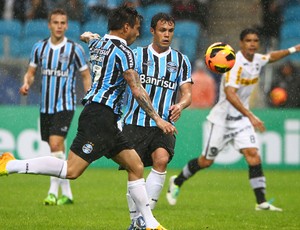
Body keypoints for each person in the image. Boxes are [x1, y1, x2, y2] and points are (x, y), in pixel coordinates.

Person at [1, 5, 175, 230]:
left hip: (104, 116)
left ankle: (144, 223)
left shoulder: (99, 43)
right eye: (137, 28)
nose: (138, 33)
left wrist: (88, 36)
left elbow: (89, 38)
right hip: (100, 116)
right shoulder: (125, 53)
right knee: (70, 170)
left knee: (136, 165)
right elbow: (137, 89)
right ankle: (11, 164)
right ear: (125, 27)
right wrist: (158, 119)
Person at [166, 28, 300, 211]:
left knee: (253, 155)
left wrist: (293, 50)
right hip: (222, 120)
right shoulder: (233, 64)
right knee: (206, 161)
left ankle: (261, 202)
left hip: (241, 120)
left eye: (255, 40)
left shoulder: (257, 60)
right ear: (241, 43)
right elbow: (230, 94)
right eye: (248, 41)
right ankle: (177, 181)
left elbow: (271, 57)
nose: (252, 44)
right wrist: (251, 115)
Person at [120, 12, 192, 229]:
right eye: (162, 30)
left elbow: (187, 93)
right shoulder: (136, 55)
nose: (167, 35)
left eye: (170, 31)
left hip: (164, 125)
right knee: (136, 171)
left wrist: (181, 104)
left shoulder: (180, 60)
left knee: (161, 160)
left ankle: (144, 219)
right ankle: (137, 220)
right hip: (135, 121)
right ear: (152, 31)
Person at [19, 8, 91, 206]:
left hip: (65, 104)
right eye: (55, 22)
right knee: (56, 148)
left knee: (55, 144)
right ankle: (67, 193)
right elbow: (31, 72)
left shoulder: (75, 49)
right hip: (46, 106)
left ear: (67, 26)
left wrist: (90, 97)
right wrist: (26, 83)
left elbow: (85, 76)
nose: (59, 26)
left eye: (62, 23)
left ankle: (52, 192)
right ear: (49, 25)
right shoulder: (39, 48)